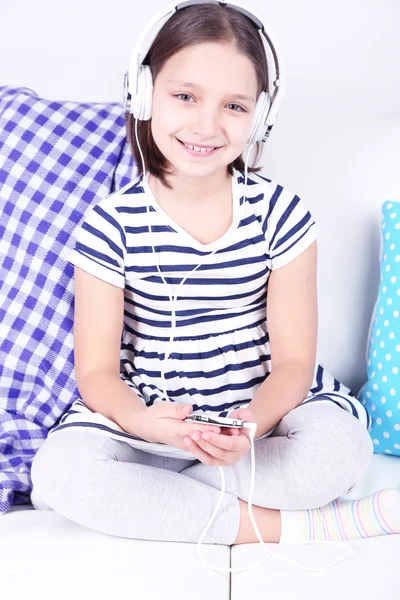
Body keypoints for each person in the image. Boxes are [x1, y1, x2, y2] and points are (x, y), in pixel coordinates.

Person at [31, 2, 400, 547]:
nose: (206, 125)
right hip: (151, 419)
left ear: (261, 115)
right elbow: (97, 374)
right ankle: (291, 526)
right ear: (142, 93)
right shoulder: (109, 224)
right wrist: (145, 423)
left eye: (234, 105)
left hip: (262, 417)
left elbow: (296, 361)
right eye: (185, 96)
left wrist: (251, 425)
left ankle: (167, 499)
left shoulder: (281, 214)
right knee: (58, 473)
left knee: (338, 453)